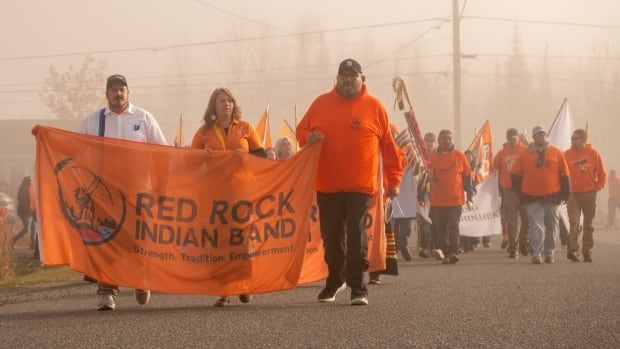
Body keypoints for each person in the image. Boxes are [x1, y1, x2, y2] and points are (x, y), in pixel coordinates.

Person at [296, 58, 403, 306]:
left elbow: (390, 149)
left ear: (362, 79)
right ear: (337, 79)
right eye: (343, 75)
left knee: (356, 234)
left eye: (353, 75)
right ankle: (335, 280)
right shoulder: (321, 103)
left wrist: (393, 180)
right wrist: (308, 136)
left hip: (361, 186)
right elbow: (300, 131)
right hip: (327, 184)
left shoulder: (375, 107)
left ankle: (358, 287)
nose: (347, 79)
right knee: (331, 237)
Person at [76, 74, 167, 310]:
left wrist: (160, 185)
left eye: (122, 89)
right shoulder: (93, 121)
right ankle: (107, 289)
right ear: (106, 93)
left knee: (139, 238)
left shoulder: (143, 118)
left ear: (129, 93)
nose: (118, 93)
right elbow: (74, 149)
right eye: (113, 89)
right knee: (107, 240)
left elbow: (162, 152)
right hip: (105, 194)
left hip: (137, 190)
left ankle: (140, 279)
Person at [191, 87, 266, 306]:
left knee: (243, 240)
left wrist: (245, 157)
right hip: (215, 194)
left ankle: (244, 285)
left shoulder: (245, 128)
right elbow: (190, 160)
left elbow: (261, 155)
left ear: (234, 105)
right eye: (221, 101)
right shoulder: (204, 131)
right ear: (213, 106)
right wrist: (204, 157)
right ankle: (223, 291)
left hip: (243, 191)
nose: (226, 104)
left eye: (229, 101)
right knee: (220, 241)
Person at [512, 125, 570, 264]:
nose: (541, 137)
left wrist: (565, 193)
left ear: (546, 136)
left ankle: (549, 252)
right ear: (533, 137)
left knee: (552, 226)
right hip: (531, 197)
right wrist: (521, 195)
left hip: (552, 196)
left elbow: (565, 173)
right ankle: (537, 254)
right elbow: (516, 176)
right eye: (538, 135)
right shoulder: (524, 154)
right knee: (536, 227)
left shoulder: (556, 152)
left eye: (543, 134)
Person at [420, 129, 474, 264]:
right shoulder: (431, 158)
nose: (447, 140)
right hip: (438, 201)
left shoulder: (459, 155)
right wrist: (420, 195)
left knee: (454, 225)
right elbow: (424, 177)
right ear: (439, 141)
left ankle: (454, 251)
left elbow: (467, 176)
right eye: (444, 138)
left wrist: (470, 197)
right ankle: (445, 251)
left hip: (456, 199)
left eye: (449, 138)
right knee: (441, 228)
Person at [564, 129, 607, 262]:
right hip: (573, 195)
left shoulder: (593, 154)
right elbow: (561, 174)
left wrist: (596, 188)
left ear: (583, 140)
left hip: (590, 194)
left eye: (575, 138)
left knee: (588, 225)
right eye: (572, 138)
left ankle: (587, 250)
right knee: (574, 222)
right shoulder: (567, 154)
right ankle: (573, 250)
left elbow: (602, 174)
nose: (572, 140)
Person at [493, 128, 529, 259]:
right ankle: (514, 248)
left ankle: (523, 241)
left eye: (515, 139)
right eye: (510, 139)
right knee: (511, 221)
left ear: (518, 138)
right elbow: (494, 168)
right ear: (507, 139)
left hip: (525, 190)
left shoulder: (526, 150)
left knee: (527, 219)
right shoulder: (502, 153)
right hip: (509, 191)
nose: (513, 141)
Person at [417, 132, 443, 260]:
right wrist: (420, 195)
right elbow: (418, 177)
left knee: (437, 221)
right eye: (427, 141)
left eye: (431, 141)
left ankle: (436, 246)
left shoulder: (440, 156)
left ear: (435, 143)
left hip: (438, 194)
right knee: (425, 222)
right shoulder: (420, 156)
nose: (429, 143)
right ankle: (425, 247)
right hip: (424, 194)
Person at [11, 177, 36, 248]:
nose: (32, 182)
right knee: (26, 228)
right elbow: (24, 202)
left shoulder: (28, 188)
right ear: (28, 181)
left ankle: (33, 244)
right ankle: (12, 240)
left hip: (29, 211)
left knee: (33, 227)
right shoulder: (25, 189)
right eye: (30, 181)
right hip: (24, 212)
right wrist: (29, 210)